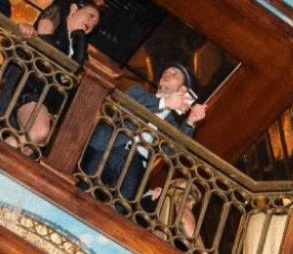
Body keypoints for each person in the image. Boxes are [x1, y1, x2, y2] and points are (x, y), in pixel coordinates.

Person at [83, 62, 207, 208]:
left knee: (120, 207)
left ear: (183, 90)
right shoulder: (138, 92)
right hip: (112, 148)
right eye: (166, 71)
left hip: (137, 163)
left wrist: (190, 122)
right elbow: (127, 106)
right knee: (86, 187)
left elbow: (172, 151)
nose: (167, 73)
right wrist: (164, 103)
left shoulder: (171, 125)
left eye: (175, 74)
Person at [0, 0, 102, 152]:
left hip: (50, 103)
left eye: (95, 23)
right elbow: (47, 55)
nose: (91, 23)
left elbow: (72, 75)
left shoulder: (78, 46)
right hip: (33, 91)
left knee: (30, 147)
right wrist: (79, 36)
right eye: (90, 15)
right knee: (39, 131)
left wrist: (80, 38)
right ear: (73, 8)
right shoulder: (56, 19)